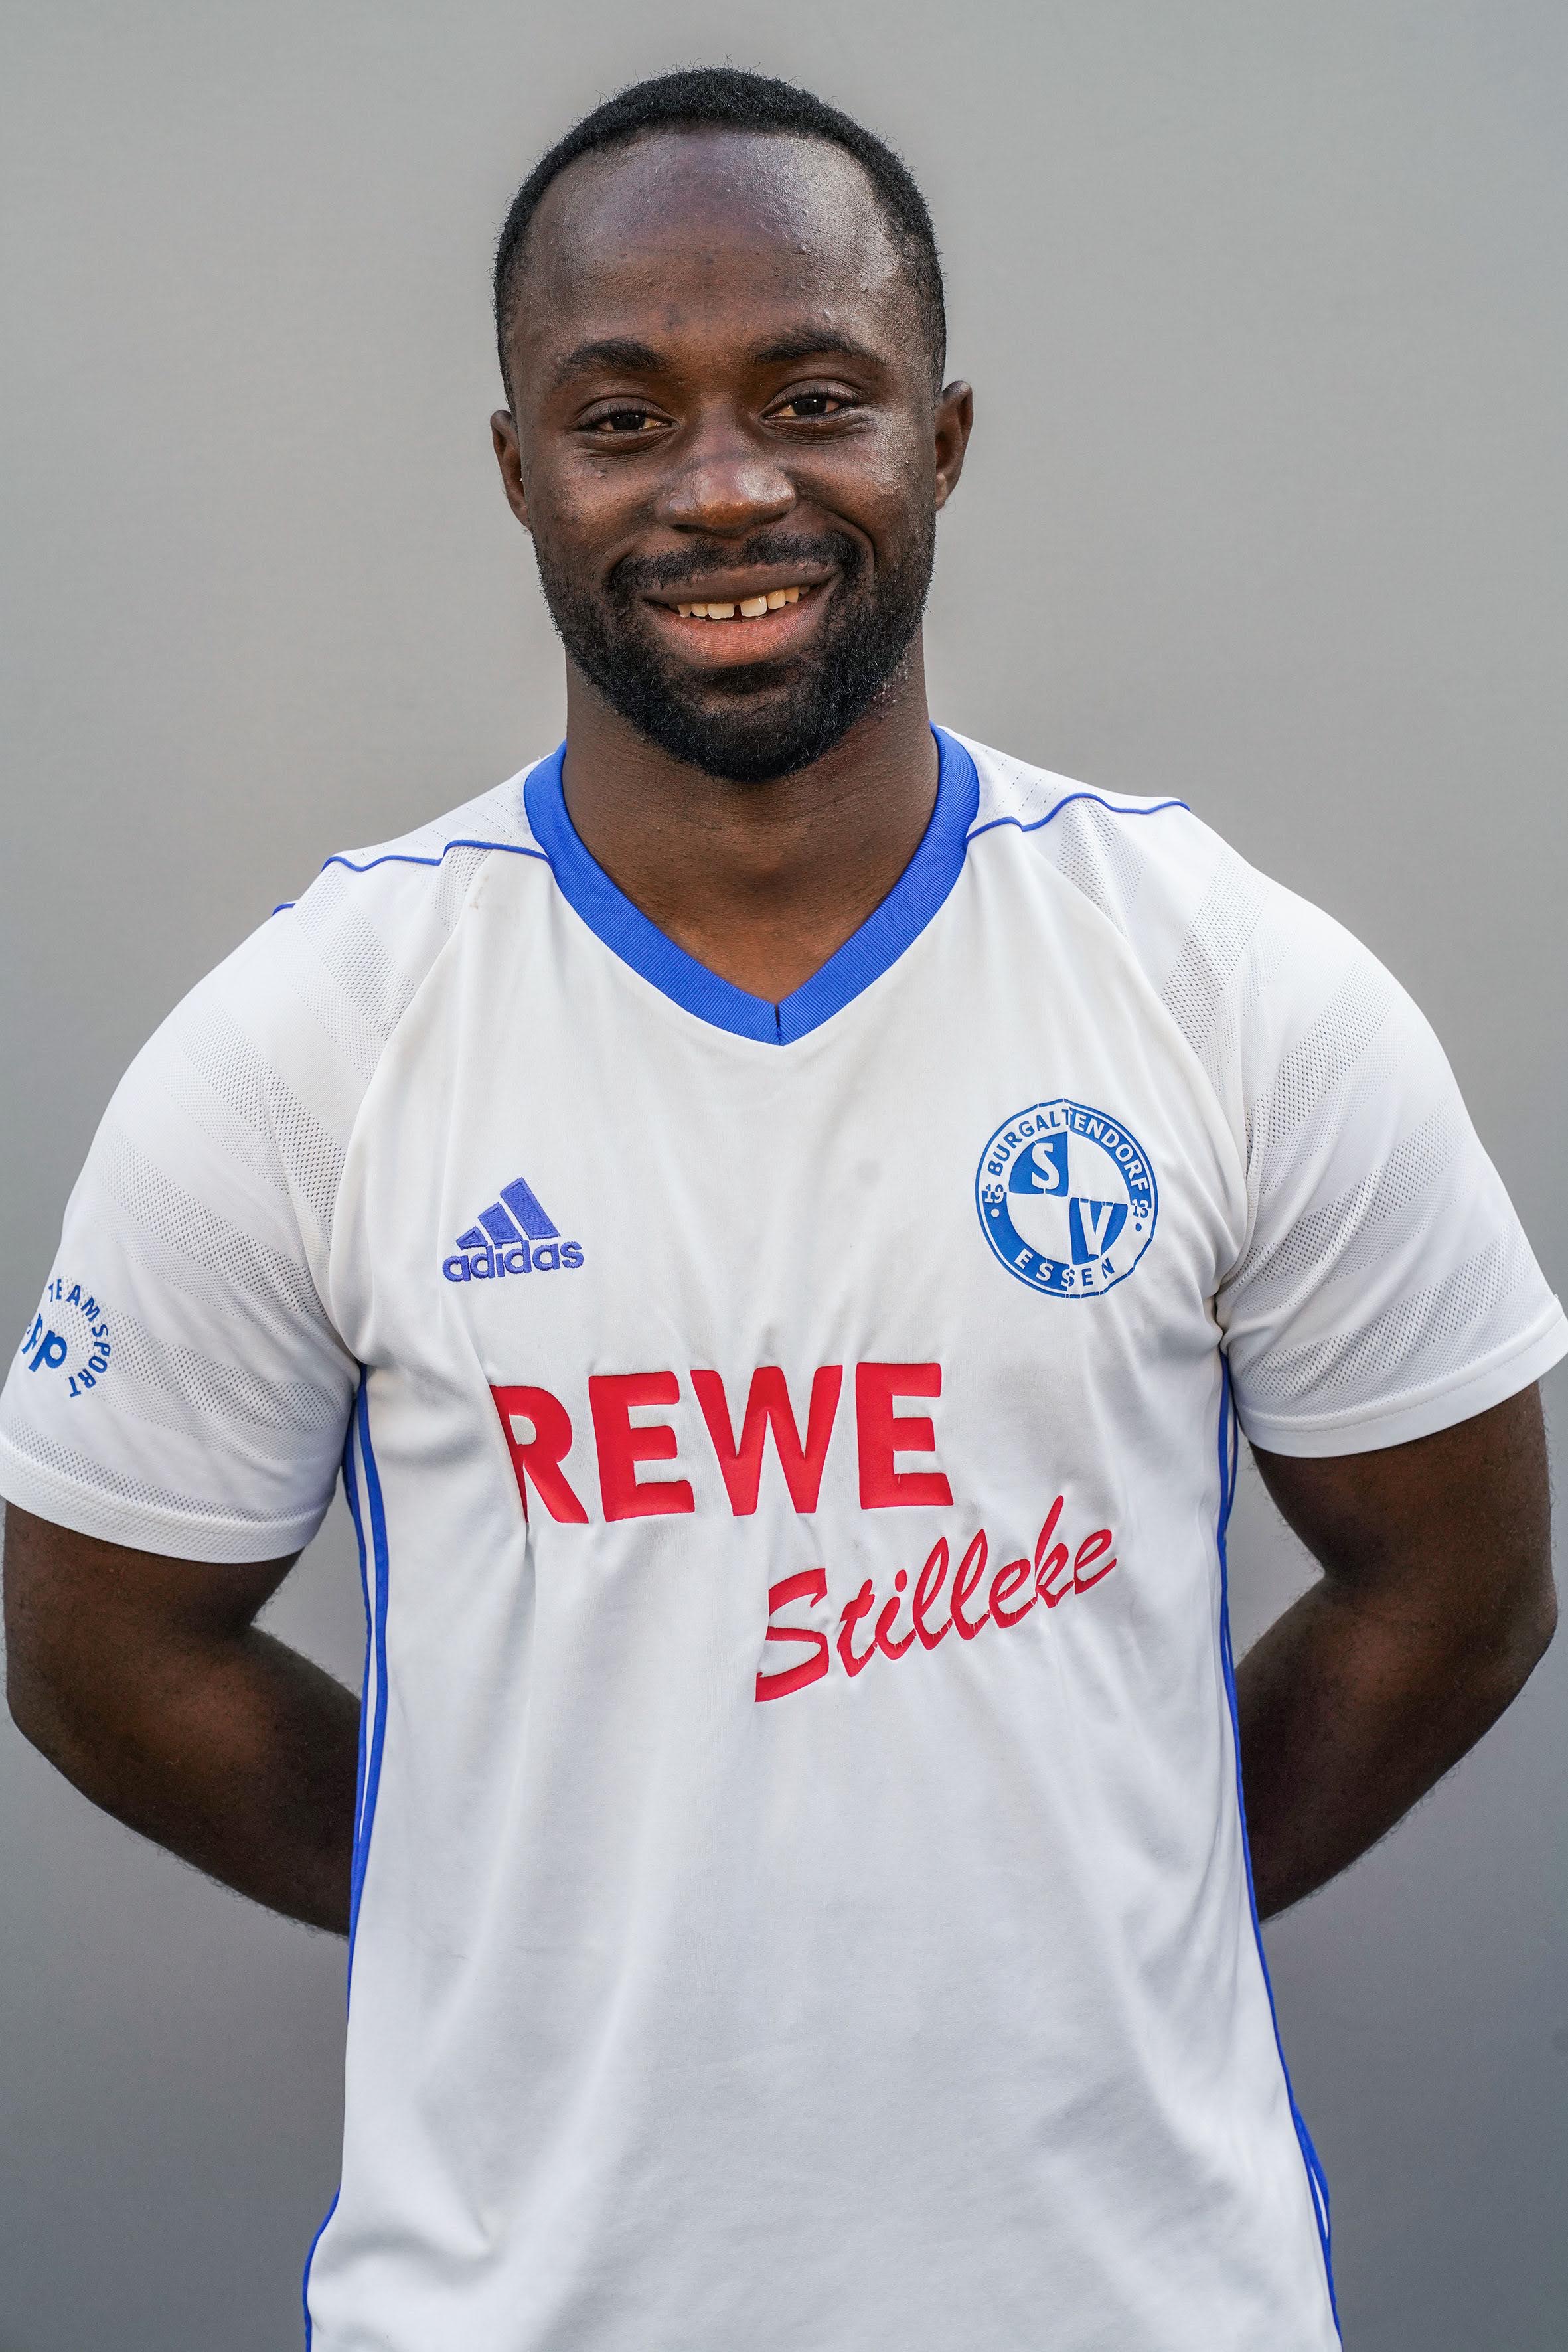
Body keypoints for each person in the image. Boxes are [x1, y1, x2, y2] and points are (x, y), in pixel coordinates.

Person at [2, 65, 1560, 2352]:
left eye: (813, 399)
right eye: (621, 417)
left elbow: (1461, 1588)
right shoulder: (316, 1035)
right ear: (518, 469)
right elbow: (94, 1647)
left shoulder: (1225, 983)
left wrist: (1106, 1898)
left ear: (940, 437)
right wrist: (499, 1913)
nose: (726, 486)